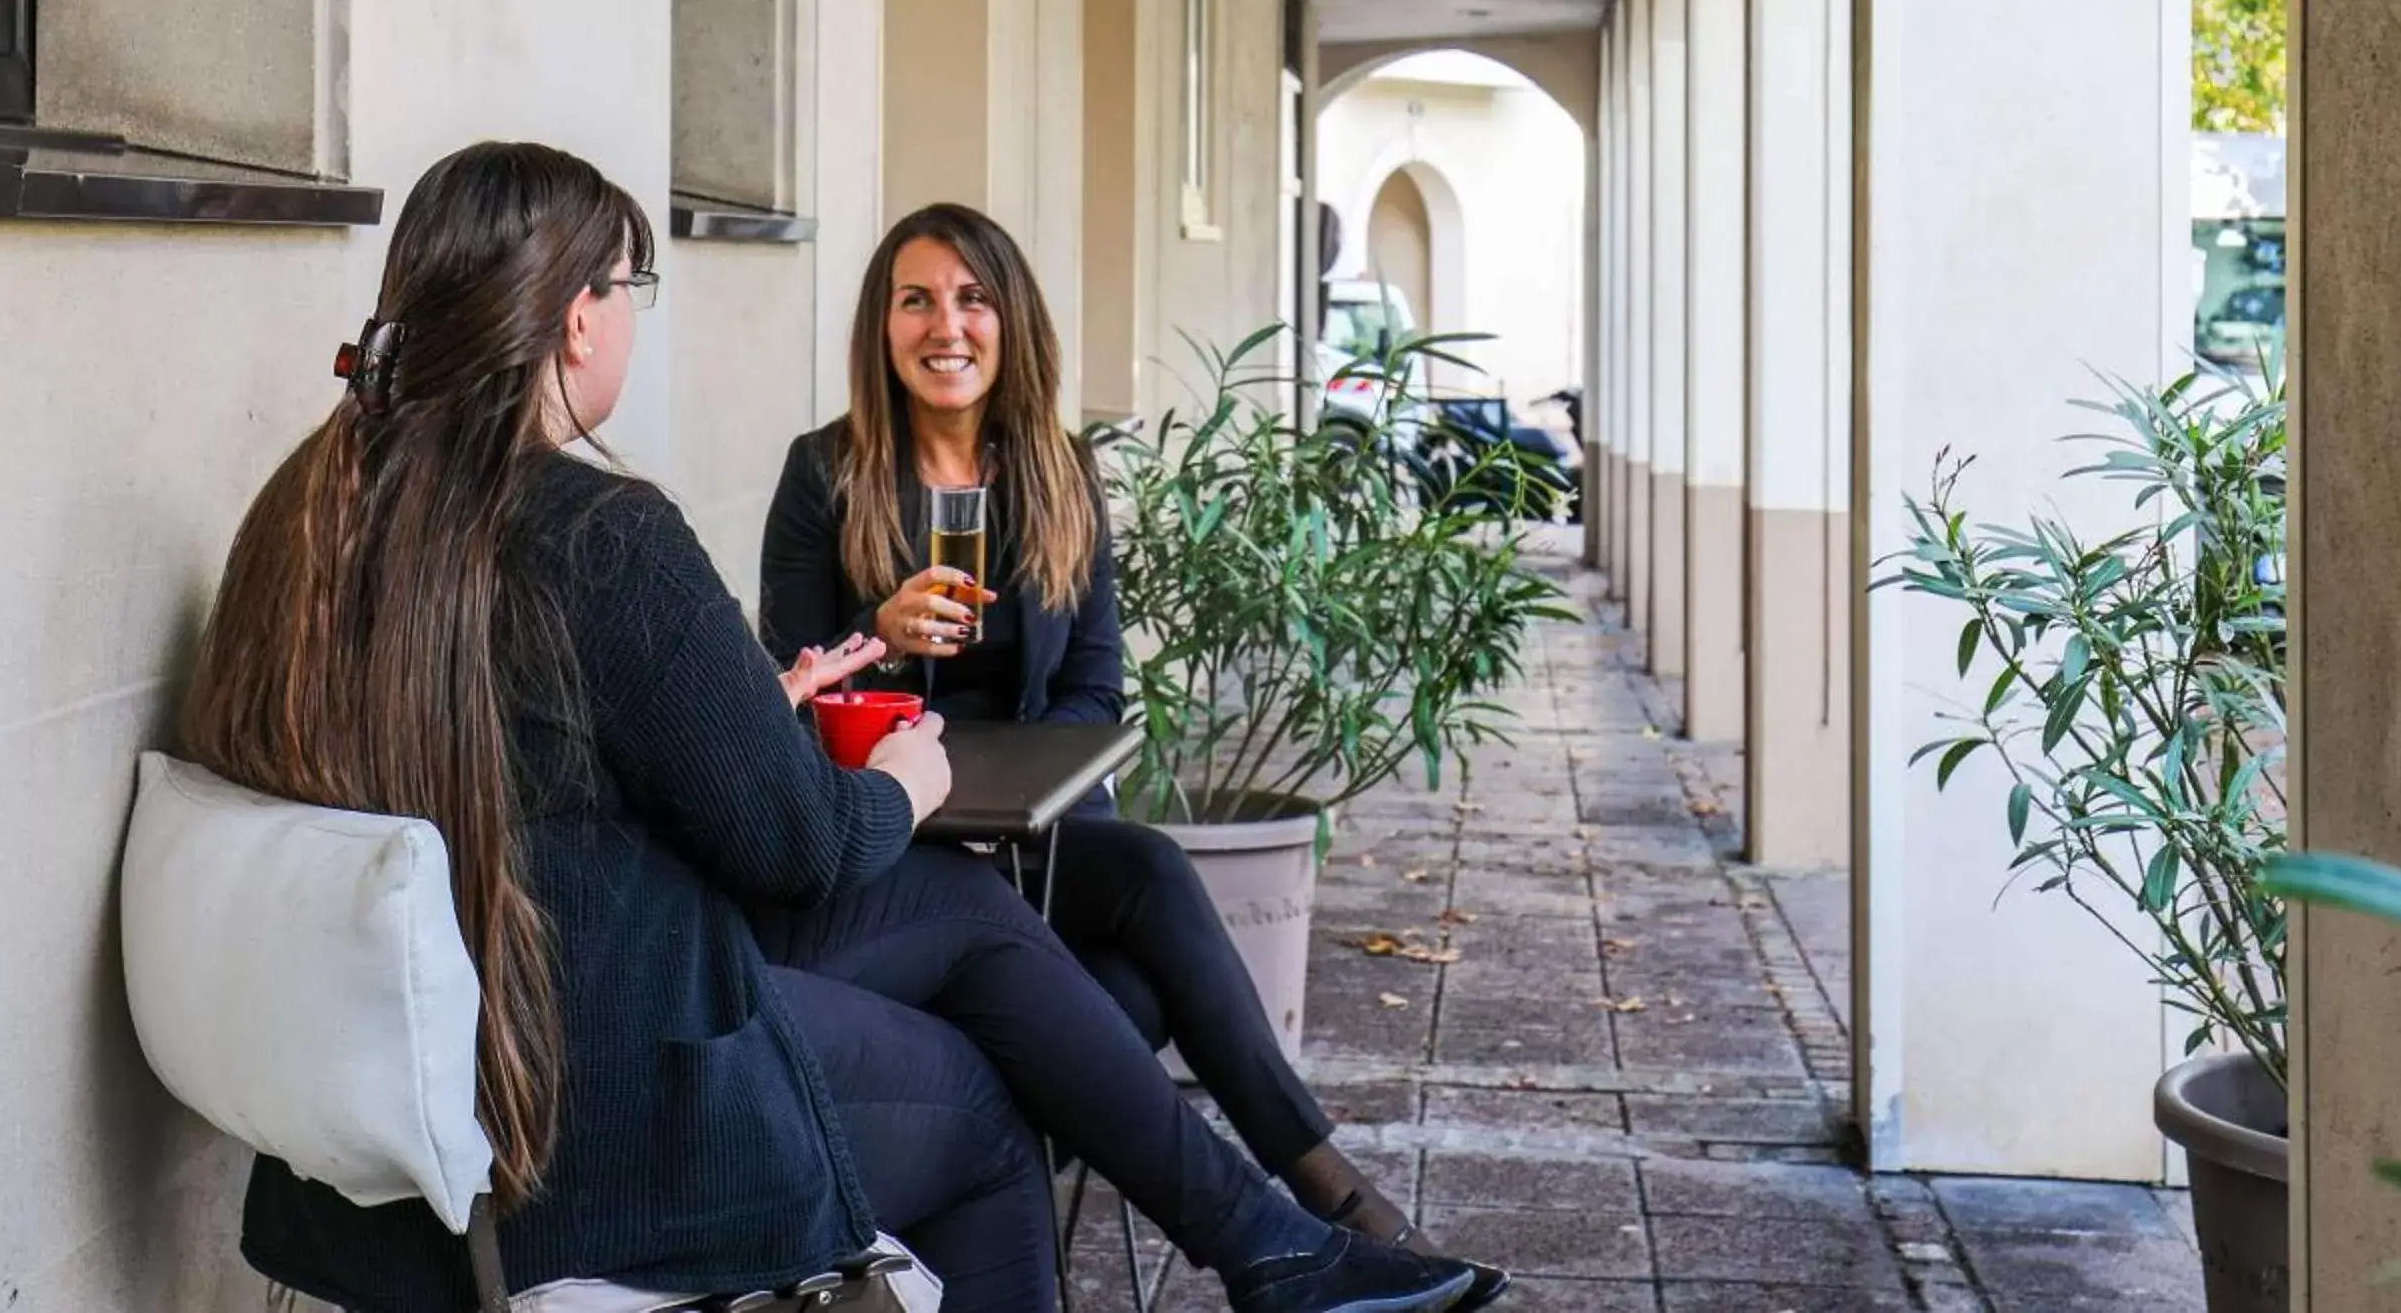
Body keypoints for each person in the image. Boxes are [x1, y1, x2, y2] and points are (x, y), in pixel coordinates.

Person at [179, 143, 1476, 1313]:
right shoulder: (598, 532)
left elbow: (519, 756)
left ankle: (1276, 1246)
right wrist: (906, 782)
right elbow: (795, 844)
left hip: (417, 1064)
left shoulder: (305, 511)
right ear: (579, 319)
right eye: (630, 287)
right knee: (977, 1096)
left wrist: (758, 709)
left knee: (988, 926)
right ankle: (1276, 1246)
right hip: (590, 1101)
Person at [761, 206, 1498, 1301]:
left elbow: (1096, 686)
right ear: (882, 326)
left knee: (1146, 891)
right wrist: (883, 625)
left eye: (972, 298)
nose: (945, 325)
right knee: (1114, 1005)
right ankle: (1316, 1231)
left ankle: (1318, 1206)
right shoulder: (826, 474)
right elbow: (791, 691)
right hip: (893, 858)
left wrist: (1009, 791)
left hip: (1033, 847)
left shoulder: (1059, 474)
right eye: (916, 300)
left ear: (1011, 319)